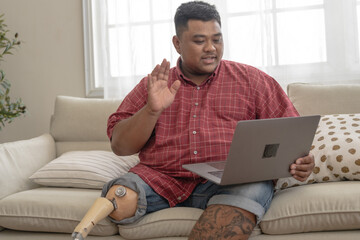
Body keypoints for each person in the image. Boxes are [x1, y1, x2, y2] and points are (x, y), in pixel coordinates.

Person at [73, 1, 315, 240]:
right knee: (120, 197)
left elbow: (293, 134)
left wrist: (302, 161)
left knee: (254, 186)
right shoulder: (156, 84)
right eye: (199, 41)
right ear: (177, 44)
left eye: (217, 39)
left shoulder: (253, 80)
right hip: (161, 179)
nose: (211, 48)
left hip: (232, 182)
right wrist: (151, 110)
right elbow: (120, 146)